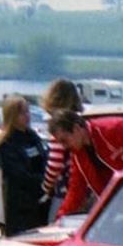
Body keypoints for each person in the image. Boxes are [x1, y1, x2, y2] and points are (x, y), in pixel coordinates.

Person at [0, 95, 49, 235]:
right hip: (20, 204)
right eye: (22, 113)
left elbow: (43, 159)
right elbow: (19, 175)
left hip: (40, 198)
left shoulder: (32, 136)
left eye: (27, 111)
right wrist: (44, 180)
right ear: (12, 116)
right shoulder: (6, 143)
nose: (27, 116)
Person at [40, 78, 84, 219]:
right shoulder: (80, 122)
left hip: (65, 191)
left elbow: (55, 163)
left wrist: (46, 187)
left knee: (56, 224)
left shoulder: (59, 127)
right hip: (85, 188)